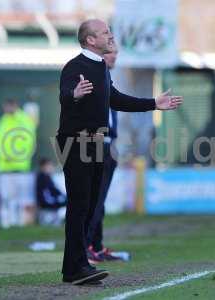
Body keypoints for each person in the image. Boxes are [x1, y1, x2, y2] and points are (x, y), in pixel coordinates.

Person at [56, 19, 183, 285]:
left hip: (97, 144)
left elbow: (116, 99)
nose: (111, 36)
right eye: (105, 33)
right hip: (76, 143)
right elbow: (65, 95)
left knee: (90, 207)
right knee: (79, 207)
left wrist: (154, 104)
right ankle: (76, 268)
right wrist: (74, 94)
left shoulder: (101, 67)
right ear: (90, 40)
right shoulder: (74, 66)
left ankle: (77, 266)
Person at [86, 47, 123, 263]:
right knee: (94, 200)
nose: (115, 55)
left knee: (100, 200)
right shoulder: (92, 77)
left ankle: (96, 246)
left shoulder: (106, 78)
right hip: (93, 144)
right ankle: (87, 247)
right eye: (111, 52)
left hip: (108, 146)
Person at [0, 99, 36, 172]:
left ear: (15, 106)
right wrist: (3, 155)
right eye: (5, 107)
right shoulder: (2, 121)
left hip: (21, 166)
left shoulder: (25, 120)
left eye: (9, 107)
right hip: (4, 166)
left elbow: (29, 140)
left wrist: (15, 157)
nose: (7, 109)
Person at [35, 158, 66, 226]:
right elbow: (52, 191)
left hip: (48, 201)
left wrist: (64, 196)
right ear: (44, 166)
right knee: (67, 202)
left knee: (67, 201)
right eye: (49, 165)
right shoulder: (42, 177)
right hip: (45, 202)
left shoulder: (46, 177)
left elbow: (54, 190)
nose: (51, 167)